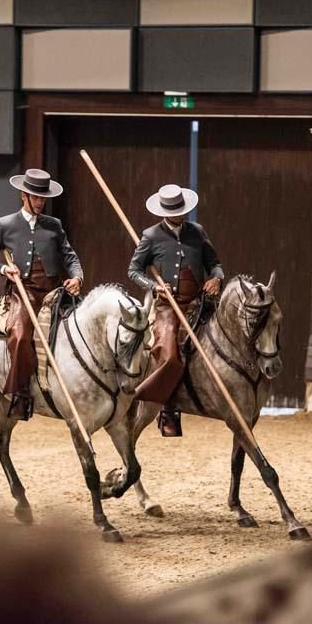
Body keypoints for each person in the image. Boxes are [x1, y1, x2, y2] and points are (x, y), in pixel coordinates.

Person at [0, 169, 83, 421]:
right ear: (24, 196)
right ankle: (20, 394)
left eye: (43, 198)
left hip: (54, 292)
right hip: (22, 292)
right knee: (18, 335)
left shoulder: (54, 225)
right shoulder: (5, 224)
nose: (40, 202)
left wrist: (78, 277)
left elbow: (70, 257)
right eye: (36, 197)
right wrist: (4, 268)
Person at [128, 184, 224, 437]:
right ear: (164, 211)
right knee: (169, 356)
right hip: (167, 307)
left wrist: (217, 278)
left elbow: (214, 264)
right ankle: (168, 408)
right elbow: (134, 271)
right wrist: (154, 287)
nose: (180, 215)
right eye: (175, 211)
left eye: (183, 210)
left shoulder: (197, 232)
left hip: (199, 303)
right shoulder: (150, 236)